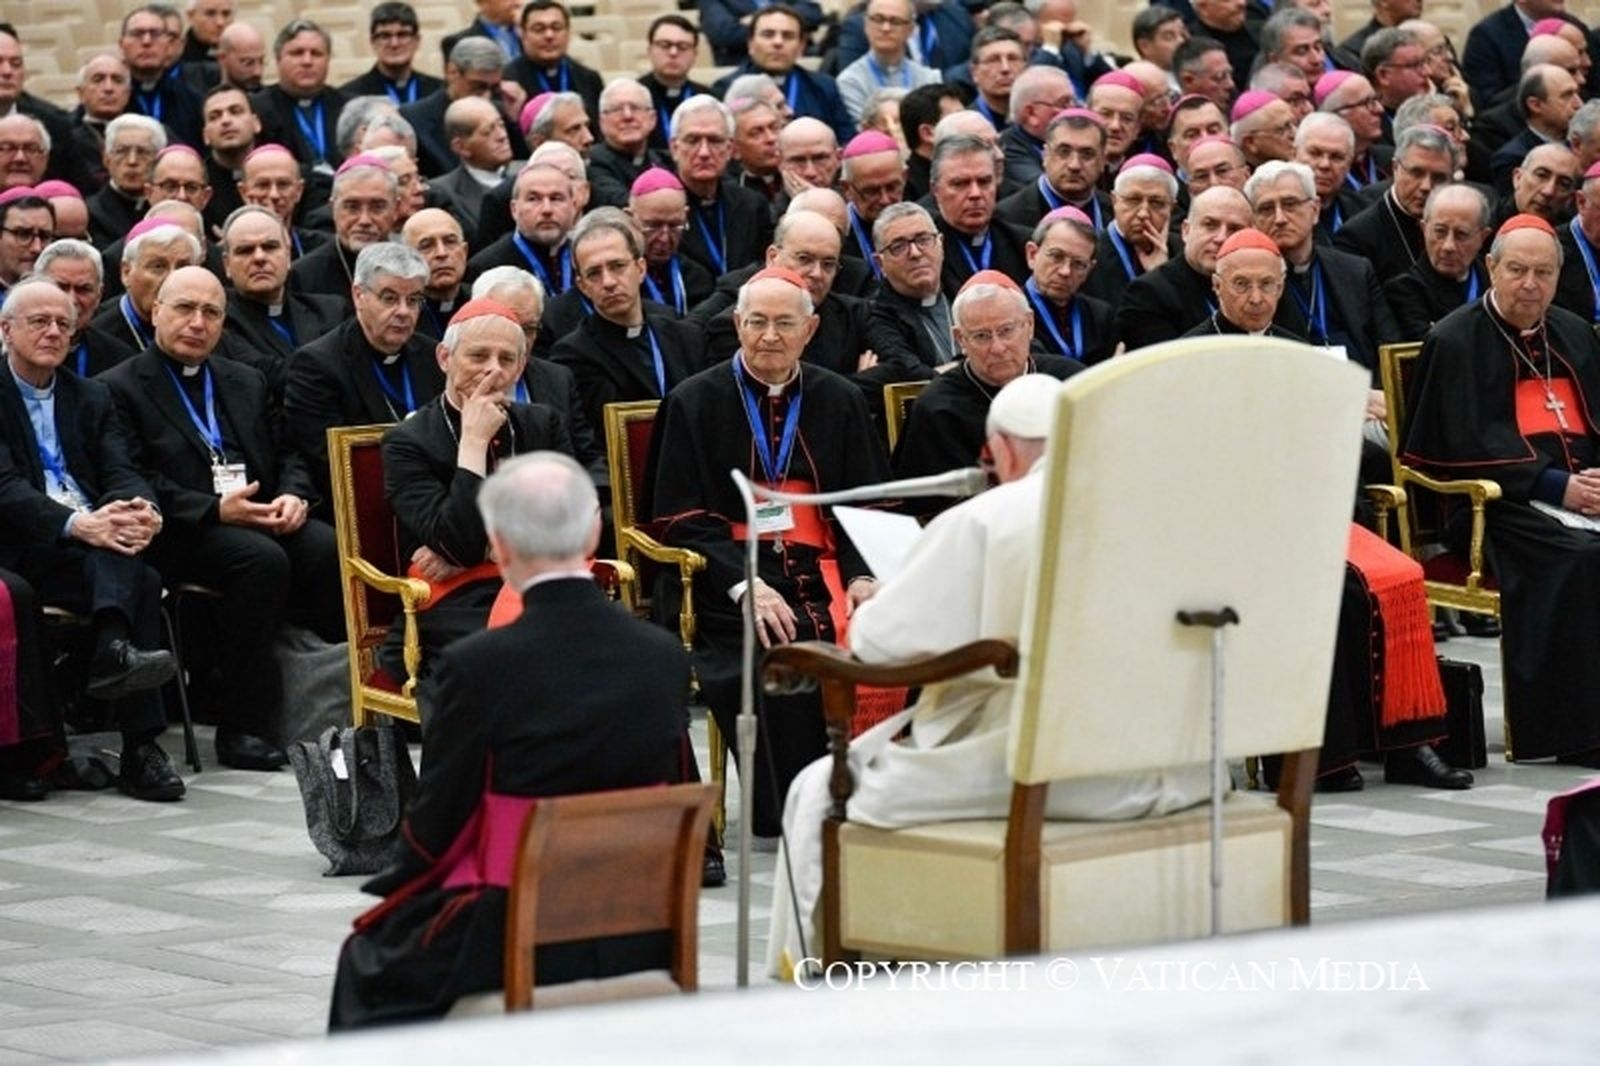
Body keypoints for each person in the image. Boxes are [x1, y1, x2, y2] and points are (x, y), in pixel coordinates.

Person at [767, 373, 1212, 976]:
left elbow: (880, 645)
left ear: (1001, 449)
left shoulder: (986, 519)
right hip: (1163, 766)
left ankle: (829, 974)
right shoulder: (1162, 510)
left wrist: (881, 602)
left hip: (1024, 767)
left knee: (819, 790)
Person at [329, 450, 689, 1028]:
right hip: (637, 923)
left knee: (366, 964)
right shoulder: (664, 657)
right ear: (595, 528)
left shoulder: (478, 666)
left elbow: (438, 819)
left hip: (517, 920)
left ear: (496, 544)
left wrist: (397, 878)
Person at [650, 267, 891, 841]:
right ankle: (800, 809)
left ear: (811, 329)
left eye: (785, 323)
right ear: (737, 324)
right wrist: (744, 584)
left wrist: (862, 575)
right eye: (756, 322)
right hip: (725, 577)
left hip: (826, 566)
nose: (769, 336)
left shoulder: (841, 399)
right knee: (773, 655)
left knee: (890, 634)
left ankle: (877, 794)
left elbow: (868, 502)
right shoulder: (693, 401)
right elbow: (678, 517)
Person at [104, 267, 341, 770]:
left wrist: (295, 496)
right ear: (155, 313)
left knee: (325, 548)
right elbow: (131, 476)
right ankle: (243, 724)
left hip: (253, 513)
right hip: (181, 529)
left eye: (212, 312)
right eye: (185, 309)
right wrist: (214, 510)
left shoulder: (244, 380)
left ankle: (326, 701)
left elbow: (289, 452)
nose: (198, 322)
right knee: (261, 562)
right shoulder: (119, 387)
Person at [1403, 213, 1600, 765]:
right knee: (1580, 558)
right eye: (1517, 270)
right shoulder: (1455, 340)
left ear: (1559, 276)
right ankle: (1573, 733)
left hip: (1580, 498)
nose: (1530, 285)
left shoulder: (1574, 332)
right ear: (1491, 267)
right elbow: (1452, 446)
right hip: (1493, 505)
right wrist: (1558, 486)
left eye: (1543, 272)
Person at [0, 278, 182, 802]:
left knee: (136, 563)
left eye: (64, 323)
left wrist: (141, 508)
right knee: (136, 575)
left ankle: (116, 663)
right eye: (40, 322)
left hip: (91, 546)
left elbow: (122, 468)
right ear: (7, 330)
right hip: (24, 544)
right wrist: (79, 523)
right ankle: (139, 739)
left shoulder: (91, 395)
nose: (55, 331)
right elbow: (5, 488)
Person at [379, 298, 572, 677]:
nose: (492, 371)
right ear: (444, 358)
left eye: (506, 359)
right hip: (455, 601)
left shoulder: (543, 424)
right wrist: (472, 443)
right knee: (522, 647)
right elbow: (459, 544)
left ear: (521, 367)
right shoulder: (407, 441)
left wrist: (487, 549)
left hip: (540, 583)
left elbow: (567, 526)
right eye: (478, 355)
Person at [894, 270, 1083, 489]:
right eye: (981, 336)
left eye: (1006, 331)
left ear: (1029, 324)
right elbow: (932, 505)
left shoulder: (1071, 380)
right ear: (960, 339)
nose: (998, 348)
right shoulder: (937, 408)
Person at [285, 242, 441, 504]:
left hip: (431, 494)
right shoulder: (317, 365)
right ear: (359, 295)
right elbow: (327, 461)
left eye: (413, 300)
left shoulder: (434, 356)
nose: (403, 311)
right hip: (360, 499)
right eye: (389, 298)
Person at [549, 210, 704, 436]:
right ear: (582, 287)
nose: (609, 282)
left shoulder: (686, 337)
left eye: (617, 266)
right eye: (594, 273)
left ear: (641, 269)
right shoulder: (573, 355)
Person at [1389, 183, 1492, 339]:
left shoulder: (1496, 280)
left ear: (1483, 237)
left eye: (1461, 235)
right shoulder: (1405, 290)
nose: (1448, 246)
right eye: (1440, 232)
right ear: (1424, 229)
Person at [1183, 227, 1305, 338]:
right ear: (1217, 286)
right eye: (1241, 284)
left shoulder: (1296, 350)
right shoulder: (1189, 352)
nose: (1256, 299)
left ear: (1280, 288)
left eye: (1266, 284)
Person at [340, 2, 443, 106]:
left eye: (402, 35)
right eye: (385, 36)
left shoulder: (440, 91)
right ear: (373, 42)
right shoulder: (350, 96)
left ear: (416, 41)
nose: (394, 44)